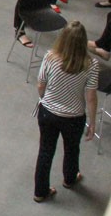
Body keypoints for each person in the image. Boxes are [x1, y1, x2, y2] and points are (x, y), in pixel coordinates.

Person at [32, 21, 99, 203]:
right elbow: (91, 97)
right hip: (73, 117)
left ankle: (40, 191)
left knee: (46, 150)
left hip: (48, 113)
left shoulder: (50, 57)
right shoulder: (90, 65)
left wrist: (45, 98)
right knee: (71, 148)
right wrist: (92, 123)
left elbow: (40, 84)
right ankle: (70, 178)